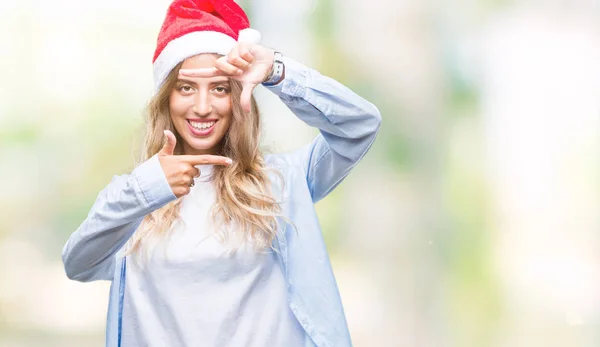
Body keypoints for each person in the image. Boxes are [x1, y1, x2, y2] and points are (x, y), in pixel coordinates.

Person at [62, 0, 381, 346]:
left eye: (219, 88)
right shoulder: (135, 196)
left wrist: (277, 70)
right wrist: (149, 188)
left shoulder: (283, 182)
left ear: (238, 95)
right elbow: (77, 264)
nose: (202, 107)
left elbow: (360, 125)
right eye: (186, 88)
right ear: (165, 99)